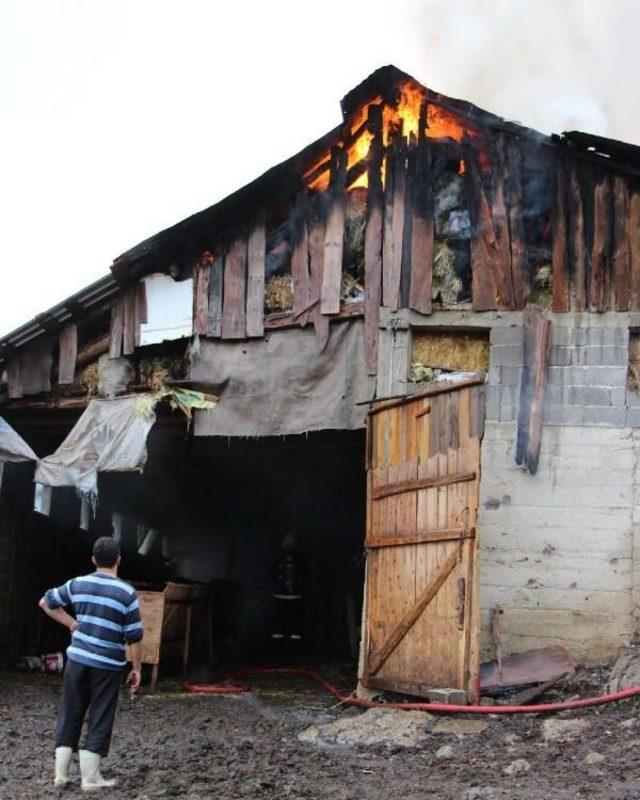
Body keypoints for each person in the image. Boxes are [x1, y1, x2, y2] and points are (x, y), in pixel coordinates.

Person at [39, 536, 143, 791]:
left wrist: (72, 624)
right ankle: (90, 779)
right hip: (108, 665)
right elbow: (134, 636)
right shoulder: (127, 592)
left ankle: (61, 775)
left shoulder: (77, 584)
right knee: (100, 714)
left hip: (77, 660)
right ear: (119, 560)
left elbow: (46, 602)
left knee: (70, 712)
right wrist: (137, 668)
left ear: (93, 559)